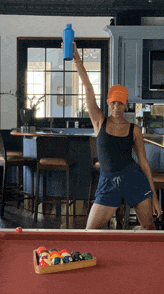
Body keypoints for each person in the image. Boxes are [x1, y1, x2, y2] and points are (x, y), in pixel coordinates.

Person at [63, 41, 162, 230]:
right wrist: (77, 60)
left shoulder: (134, 129)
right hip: (108, 182)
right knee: (90, 231)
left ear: (126, 105)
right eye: (113, 103)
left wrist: (154, 197)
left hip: (134, 180)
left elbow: (144, 163)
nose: (116, 107)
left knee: (149, 230)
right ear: (108, 103)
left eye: (120, 103)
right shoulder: (99, 121)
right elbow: (89, 89)